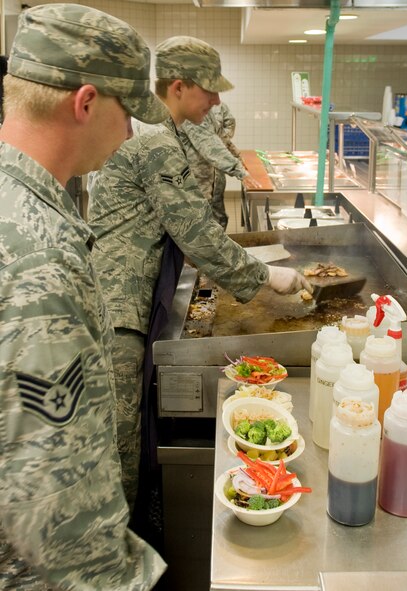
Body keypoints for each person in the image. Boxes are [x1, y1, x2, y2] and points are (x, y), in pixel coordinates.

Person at [87, 35, 311, 526]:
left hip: (130, 299)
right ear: (179, 85)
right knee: (120, 448)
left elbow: (195, 227)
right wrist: (267, 277)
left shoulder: (162, 131)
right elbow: (196, 232)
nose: (215, 101)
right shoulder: (154, 141)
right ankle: (123, 554)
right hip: (118, 308)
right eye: (208, 90)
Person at [0, 4, 169, 590]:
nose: (129, 133)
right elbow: (53, 506)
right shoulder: (38, 256)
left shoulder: (19, 201)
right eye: (128, 113)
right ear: (87, 102)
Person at [180, 101, 260, 229]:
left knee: (218, 217)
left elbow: (220, 137)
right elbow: (210, 145)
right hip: (196, 180)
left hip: (213, 176)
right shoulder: (190, 113)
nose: (216, 99)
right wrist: (240, 172)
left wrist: (238, 157)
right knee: (199, 223)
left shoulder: (208, 111)